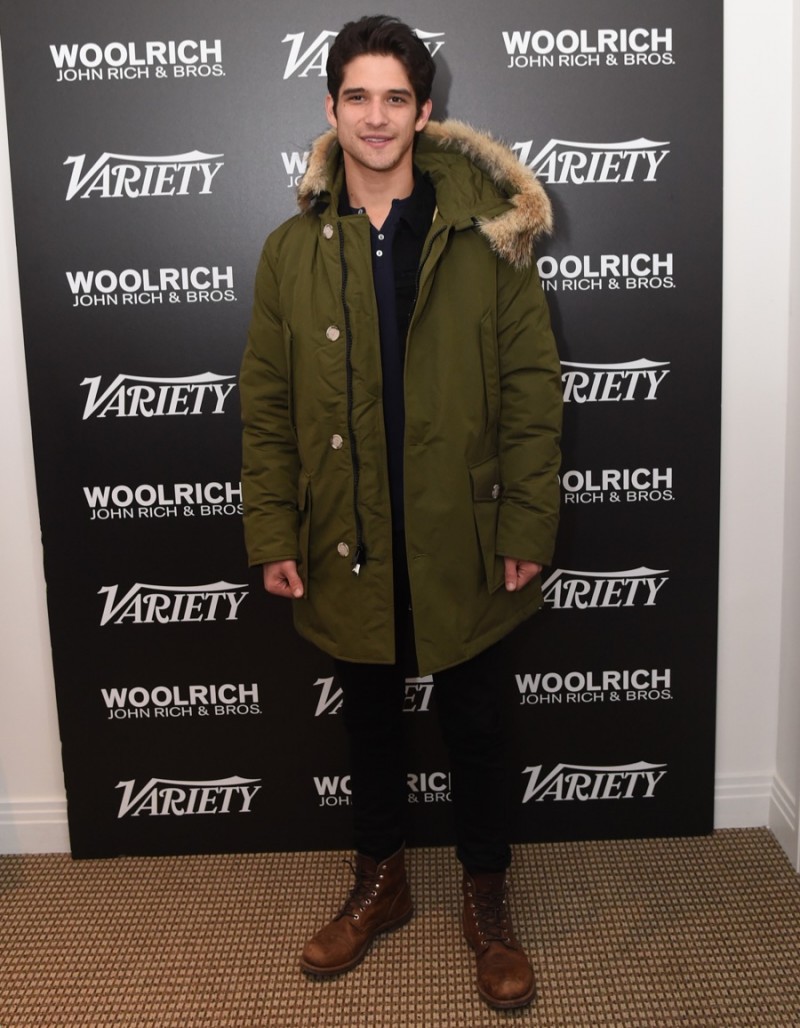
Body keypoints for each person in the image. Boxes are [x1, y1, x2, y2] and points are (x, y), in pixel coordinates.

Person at [240, 14, 561, 1010]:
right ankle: (378, 883)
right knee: (369, 719)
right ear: (329, 109)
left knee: (473, 719)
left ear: (425, 112)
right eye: (355, 96)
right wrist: (273, 530)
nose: (374, 116)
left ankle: (485, 896)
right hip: (346, 530)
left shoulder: (489, 240)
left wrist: (522, 528)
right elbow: (266, 406)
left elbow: (528, 390)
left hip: (461, 532)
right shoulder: (289, 251)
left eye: (394, 97)